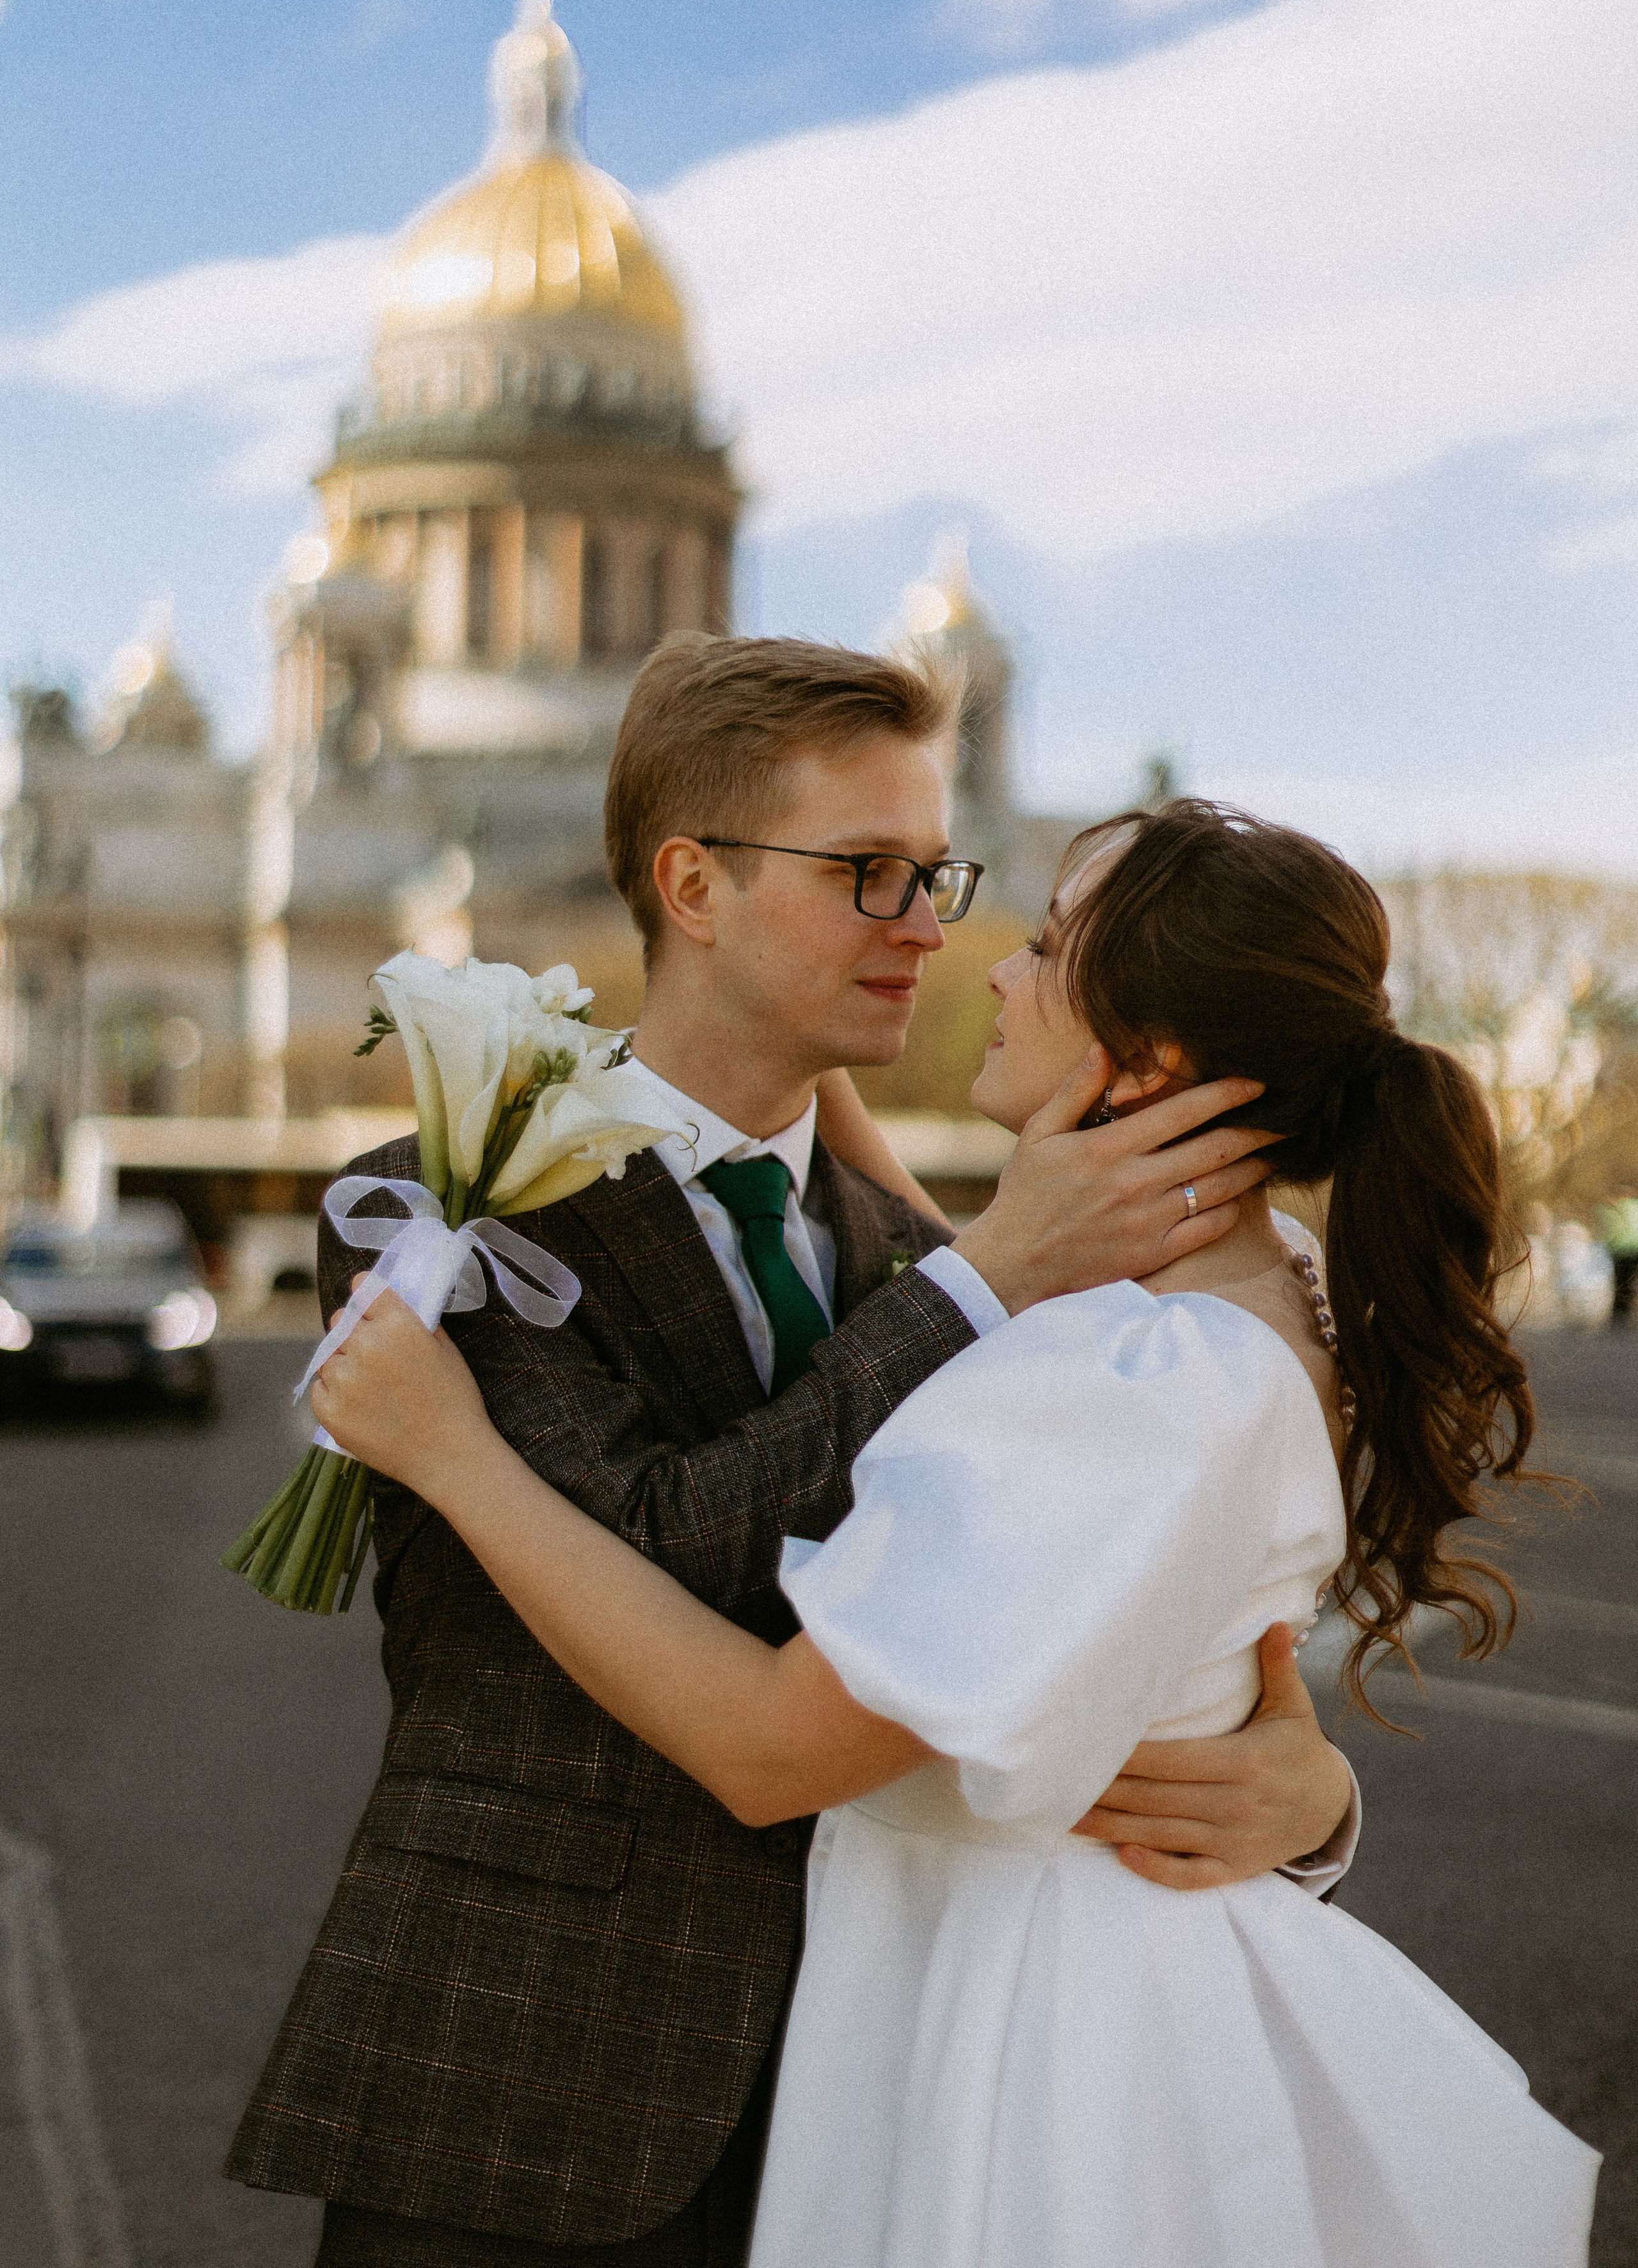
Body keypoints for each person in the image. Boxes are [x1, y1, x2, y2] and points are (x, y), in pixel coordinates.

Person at [311, 798, 1599, 2267]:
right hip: (1104, 2000)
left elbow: (768, 1749)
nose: (977, 960)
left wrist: (455, 1456)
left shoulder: (1139, 1379)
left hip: (1026, 2042)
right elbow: (1002, 1317)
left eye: (1046, 946)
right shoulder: (1263, 1280)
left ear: (1157, 1061)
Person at [227, 643, 1356, 2264]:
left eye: (937, 875)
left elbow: (1107, 1591)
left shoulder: (944, 1257)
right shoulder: (438, 1212)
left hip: (878, 2115)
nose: (930, 927)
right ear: (693, 884)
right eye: (869, 877)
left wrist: (1297, 1779)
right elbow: (679, 1546)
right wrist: (980, 1279)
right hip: (521, 2101)